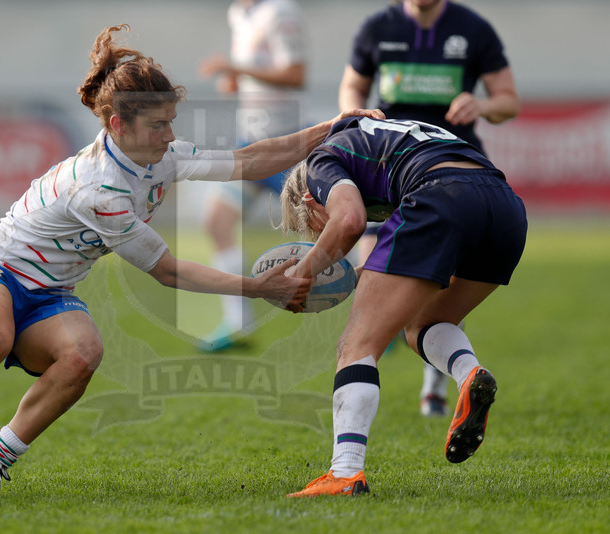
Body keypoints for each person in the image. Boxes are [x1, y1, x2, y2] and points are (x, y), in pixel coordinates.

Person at [0, 24, 382, 498]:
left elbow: (248, 160)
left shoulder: (162, 156)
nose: (170, 135)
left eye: (171, 122)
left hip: (51, 292)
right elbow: (168, 271)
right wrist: (258, 287)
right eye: (159, 125)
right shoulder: (98, 189)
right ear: (118, 125)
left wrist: (333, 126)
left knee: (83, 355)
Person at [278, 115, 527, 497]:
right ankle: (469, 374)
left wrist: (303, 273)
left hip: (441, 195)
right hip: (504, 206)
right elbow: (399, 258)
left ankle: (345, 473)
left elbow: (348, 221)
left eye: (313, 227)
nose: (317, 235)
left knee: (356, 345)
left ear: (309, 200)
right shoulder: (388, 143)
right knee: (424, 323)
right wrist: (349, 275)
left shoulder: (320, 163)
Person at [338, 0, 520, 416]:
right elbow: (352, 87)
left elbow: (508, 100)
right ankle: (376, 371)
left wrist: (482, 105)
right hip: (388, 171)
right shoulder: (378, 28)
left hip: (452, 173)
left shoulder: (472, 28)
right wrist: (354, 115)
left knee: (445, 283)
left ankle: (432, 389)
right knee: (373, 275)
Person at [197, 0, 306, 350]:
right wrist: (236, 80)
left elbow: (295, 75)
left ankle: (384, 307)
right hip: (251, 143)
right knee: (217, 221)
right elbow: (253, 74)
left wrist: (237, 69)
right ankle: (238, 324)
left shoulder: (281, 11)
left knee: (333, 230)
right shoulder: (238, 14)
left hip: (285, 145)